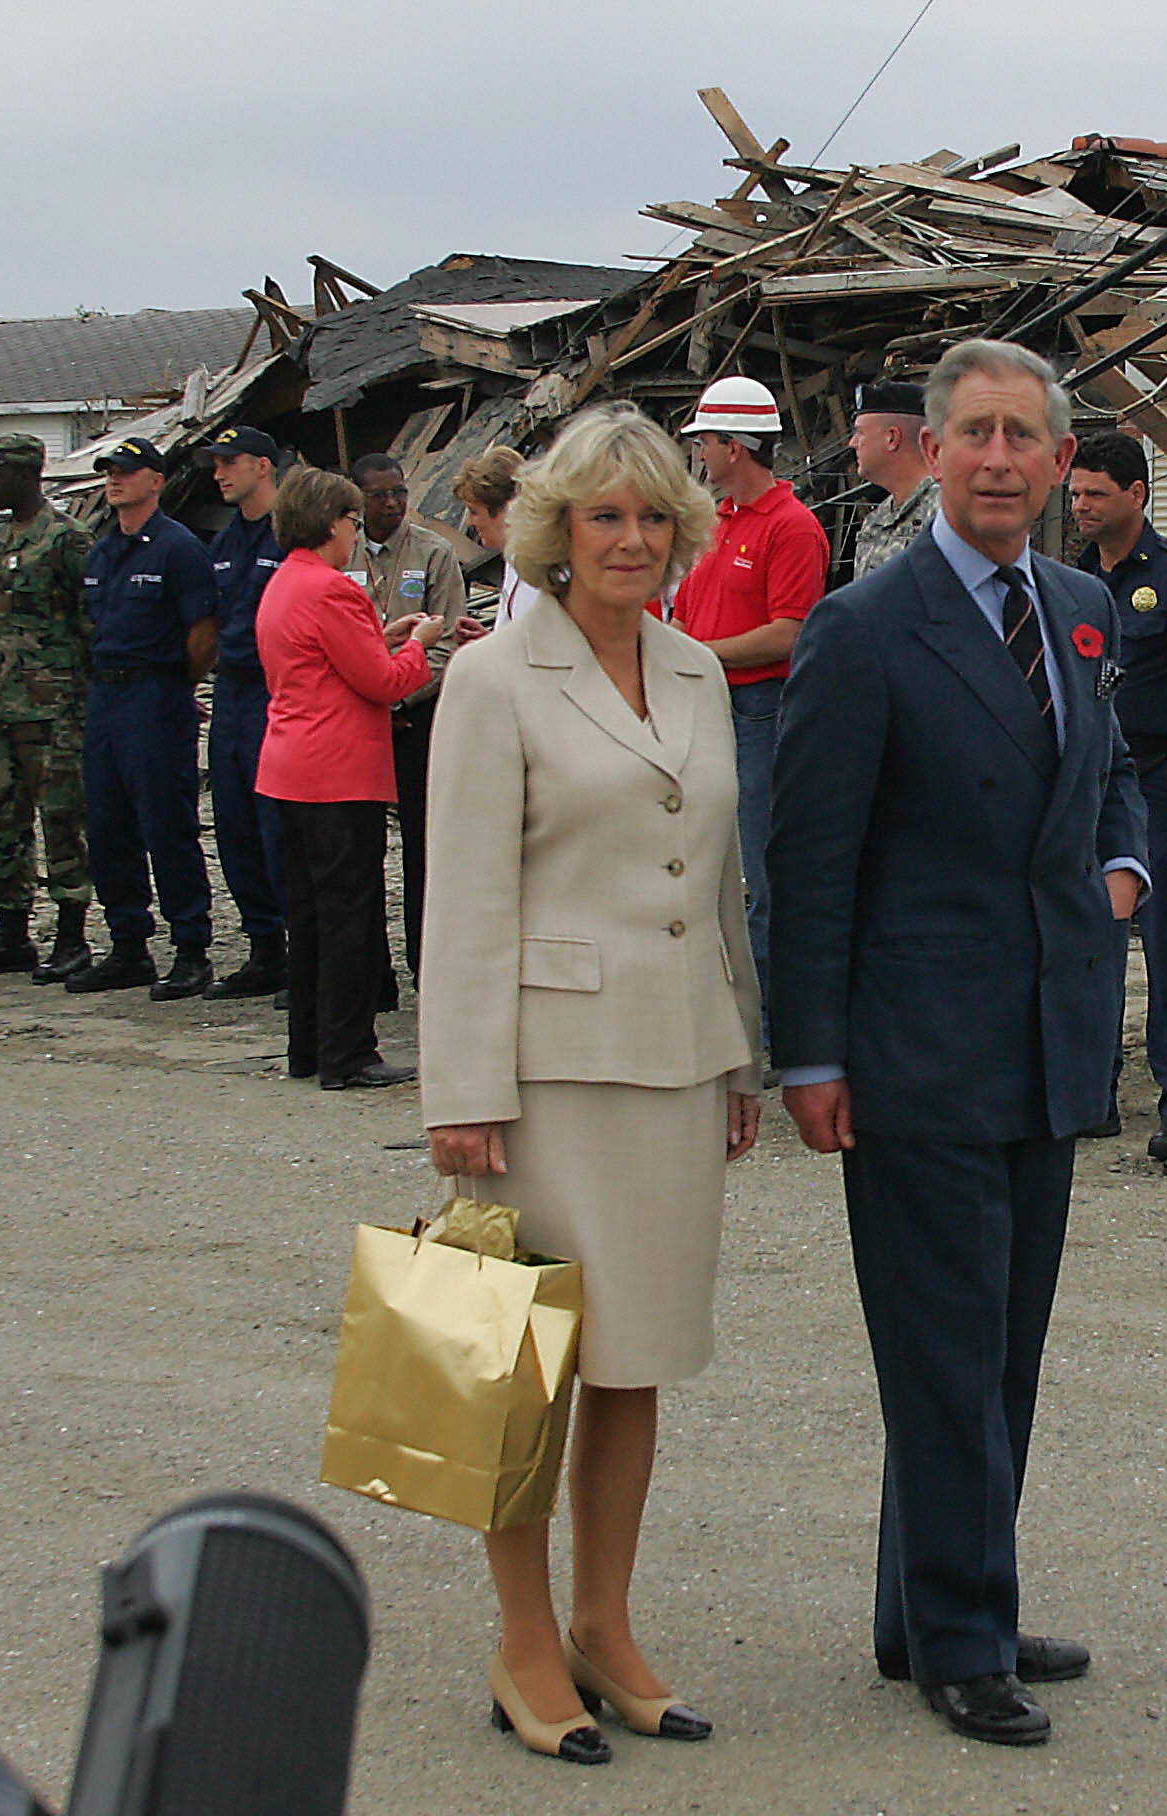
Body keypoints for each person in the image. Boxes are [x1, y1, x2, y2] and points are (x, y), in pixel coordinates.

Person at [766, 339, 1145, 1749]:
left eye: (1021, 436)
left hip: (1047, 1035)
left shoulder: (1085, 606)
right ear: (929, 454)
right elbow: (807, 860)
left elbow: (1118, 781)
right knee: (940, 1355)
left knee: (1002, 1351)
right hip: (913, 1048)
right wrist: (808, 1056)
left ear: (1059, 463)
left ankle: (926, 1604)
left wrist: (1127, 874)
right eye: (971, 433)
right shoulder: (867, 626)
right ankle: (963, 1638)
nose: (997, 458)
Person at [418, 403, 761, 1768]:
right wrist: (463, 1088)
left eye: (654, 516)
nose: (632, 538)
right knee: (527, 1371)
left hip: (675, 1062)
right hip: (544, 1080)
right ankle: (520, 1636)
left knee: (638, 1365)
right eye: (606, 517)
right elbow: (461, 899)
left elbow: (720, 883)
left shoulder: (696, 671)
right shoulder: (493, 681)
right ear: (559, 532)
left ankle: (605, 1627)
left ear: (683, 531)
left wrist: (738, 1045)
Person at [254, 465, 437, 1088]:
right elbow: (383, 682)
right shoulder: (332, 589)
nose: (356, 534)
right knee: (348, 916)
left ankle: (309, 1045)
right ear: (333, 523)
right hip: (338, 773)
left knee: (306, 915)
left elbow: (329, 655)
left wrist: (384, 634)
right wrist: (421, 644)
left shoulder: (285, 583)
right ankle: (349, 1050)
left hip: (290, 766)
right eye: (353, 522)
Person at [1067, 431, 1167, 1157]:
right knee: (1087, 942)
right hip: (1087, 785)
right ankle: (1092, 1089)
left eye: (1096, 493)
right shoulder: (1070, 586)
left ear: (1137, 495)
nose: (1082, 506)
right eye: (1074, 494)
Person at [668, 376, 827, 1003]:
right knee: (708, 869)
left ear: (735, 446)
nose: (700, 453)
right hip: (709, 711)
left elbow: (791, 634)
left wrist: (694, 657)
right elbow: (685, 611)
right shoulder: (716, 523)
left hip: (760, 713)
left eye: (705, 440)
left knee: (762, 875)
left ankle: (770, 1024)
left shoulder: (790, 527)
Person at [72, 436, 219, 1000]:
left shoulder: (177, 548)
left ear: (156, 481)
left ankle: (191, 948)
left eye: (127, 473)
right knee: (108, 826)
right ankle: (128, 942)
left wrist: (174, 689)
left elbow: (202, 632)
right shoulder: (104, 550)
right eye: (109, 473)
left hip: (155, 696)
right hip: (106, 697)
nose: (115, 481)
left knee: (166, 824)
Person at [0, 433, 95, 982]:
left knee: (61, 820)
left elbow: (89, 624)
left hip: (51, 708)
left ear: (25, 474)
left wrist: (84, 699)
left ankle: (72, 933)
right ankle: (10, 930)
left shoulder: (67, 540)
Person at [345, 452, 465, 1003]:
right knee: (359, 851)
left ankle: (428, 969)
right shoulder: (338, 553)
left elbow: (446, 643)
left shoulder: (434, 553)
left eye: (399, 492)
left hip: (415, 717)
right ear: (357, 497)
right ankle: (371, 974)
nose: (391, 503)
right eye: (378, 494)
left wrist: (398, 689)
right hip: (358, 722)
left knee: (424, 850)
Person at [199, 426, 290, 1002]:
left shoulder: (292, 535)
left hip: (275, 691)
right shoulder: (225, 543)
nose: (218, 473)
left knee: (276, 825)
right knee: (232, 823)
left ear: (262, 465)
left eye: (229, 463)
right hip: (230, 692)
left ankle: (297, 945)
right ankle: (263, 948)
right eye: (215, 464)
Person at [845, 378, 940, 578]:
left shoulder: (948, 513)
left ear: (892, 438)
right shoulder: (877, 519)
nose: (852, 443)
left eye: (860, 433)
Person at [450, 444, 535, 635]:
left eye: (474, 512)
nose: (470, 522)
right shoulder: (515, 563)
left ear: (504, 509)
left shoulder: (540, 571)